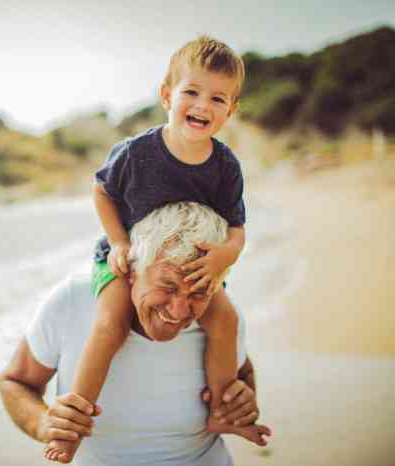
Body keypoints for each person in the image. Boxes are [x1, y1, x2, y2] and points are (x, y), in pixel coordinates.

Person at [45, 36, 252, 462]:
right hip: (128, 258)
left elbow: (236, 229)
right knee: (109, 325)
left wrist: (223, 258)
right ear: (166, 96)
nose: (202, 105)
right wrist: (119, 242)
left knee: (226, 318)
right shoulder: (136, 153)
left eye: (218, 98)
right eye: (191, 92)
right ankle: (73, 426)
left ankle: (219, 411)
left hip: (193, 267)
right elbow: (101, 194)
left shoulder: (226, 166)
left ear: (230, 110)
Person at [0, 202, 271, 466]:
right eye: (168, 286)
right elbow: (15, 382)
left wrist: (241, 403)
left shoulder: (220, 317)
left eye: (198, 292)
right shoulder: (72, 302)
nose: (178, 311)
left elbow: (243, 371)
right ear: (130, 269)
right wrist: (43, 423)